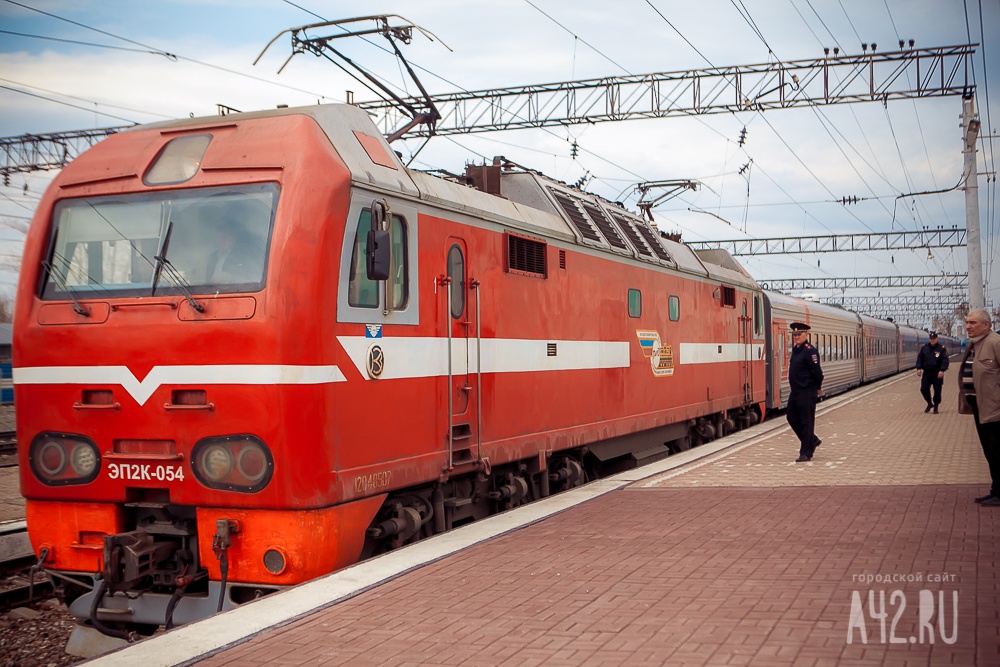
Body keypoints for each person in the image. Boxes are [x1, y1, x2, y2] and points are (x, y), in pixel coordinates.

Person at [957, 309, 1000, 507]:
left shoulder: (995, 343)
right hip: (979, 406)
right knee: (989, 451)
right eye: (967, 322)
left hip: (995, 408)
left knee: (997, 450)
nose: (968, 326)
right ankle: (996, 490)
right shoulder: (973, 345)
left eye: (973, 323)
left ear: (986, 325)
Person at [786, 322, 824, 462]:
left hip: (807, 391)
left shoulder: (810, 351)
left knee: (806, 422)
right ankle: (812, 440)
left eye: (799, 334)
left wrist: (817, 387)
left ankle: (805, 453)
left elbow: (817, 372)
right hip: (795, 391)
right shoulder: (796, 350)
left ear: (806, 334)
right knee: (791, 417)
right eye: (794, 335)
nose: (796, 337)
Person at [915, 331, 949, 414]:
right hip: (927, 372)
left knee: (937, 390)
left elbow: (945, 360)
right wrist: (918, 368)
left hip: (937, 373)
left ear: (937, 339)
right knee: (924, 389)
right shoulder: (924, 348)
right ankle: (930, 403)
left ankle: (936, 406)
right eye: (931, 339)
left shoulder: (941, 348)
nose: (932, 340)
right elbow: (920, 358)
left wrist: (942, 370)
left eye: (934, 339)